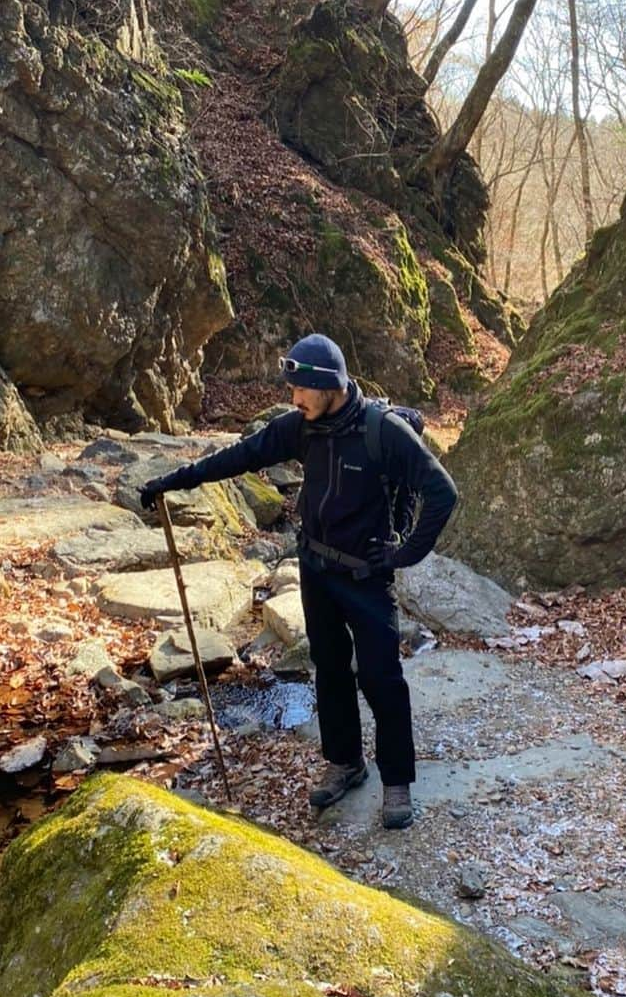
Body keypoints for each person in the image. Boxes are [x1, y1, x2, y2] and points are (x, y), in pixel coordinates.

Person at [140, 333, 458, 830]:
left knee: (381, 679)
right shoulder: (301, 428)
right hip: (315, 568)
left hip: (366, 576)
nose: (294, 399)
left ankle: (396, 781)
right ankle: (346, 763)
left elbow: (442, 493)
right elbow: (239, 457)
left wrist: (402, 554)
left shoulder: (383, 432)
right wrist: (170, 482)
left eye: (301, 390)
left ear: (328, 385)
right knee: (328, 669)